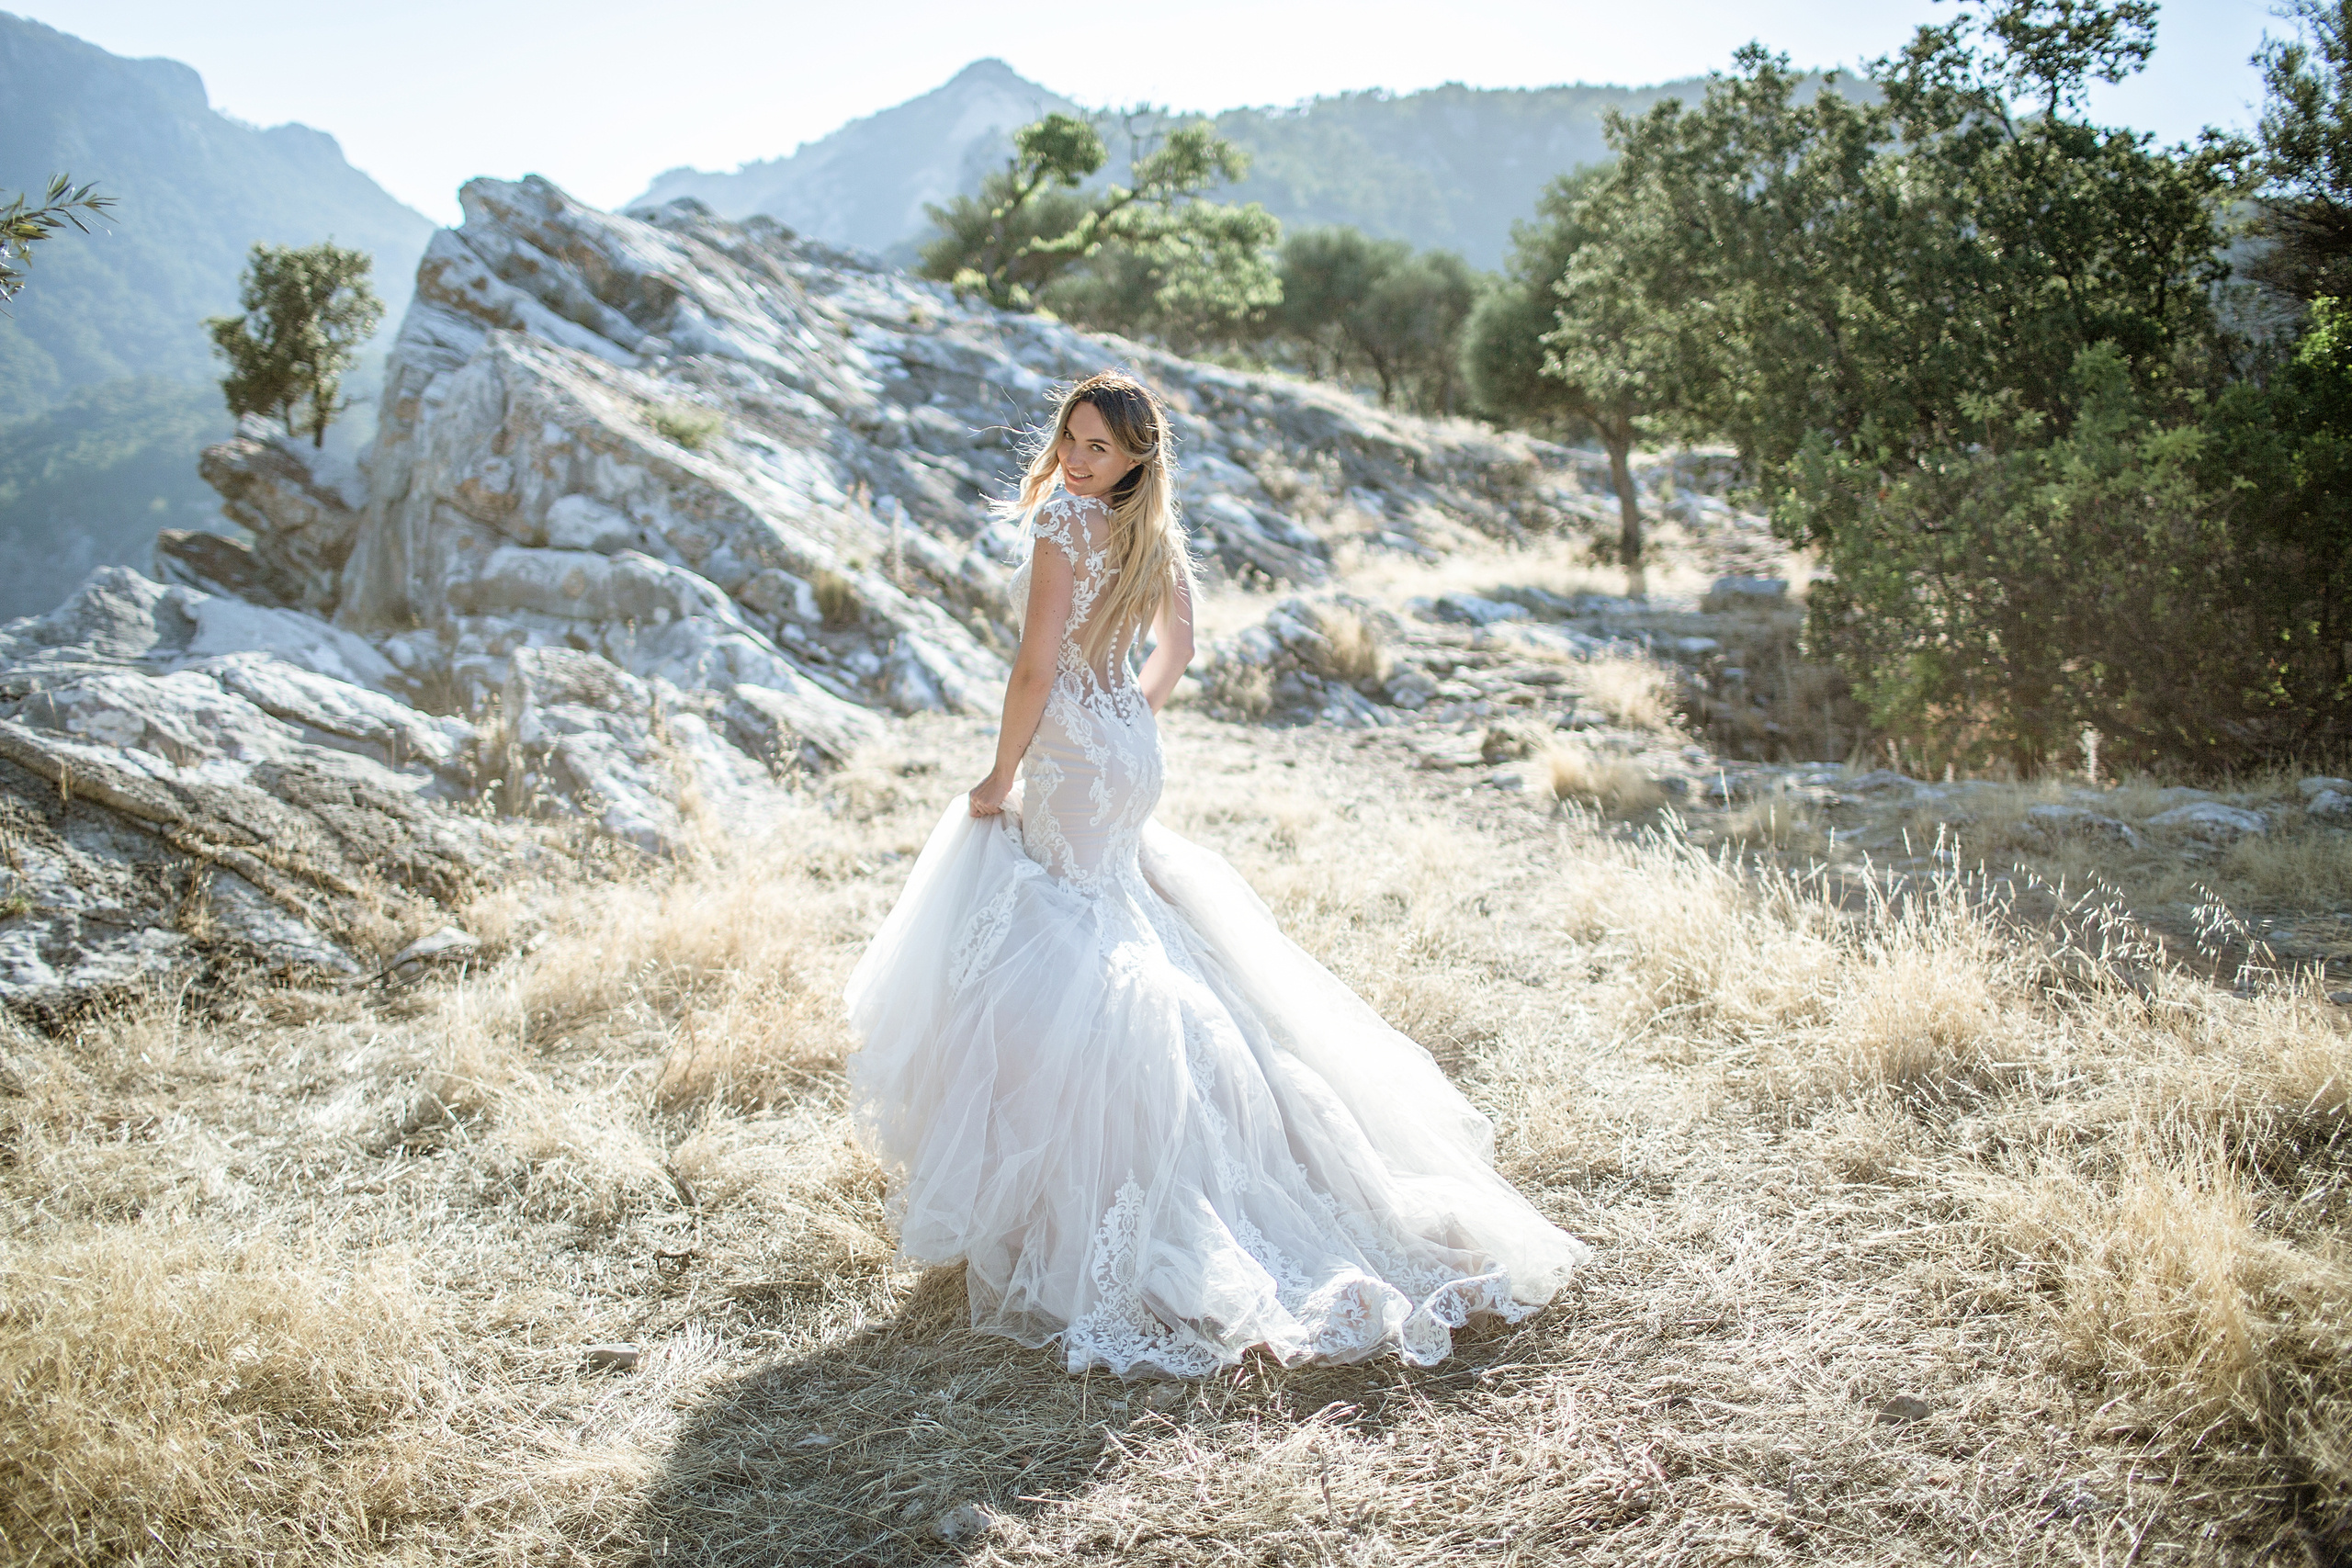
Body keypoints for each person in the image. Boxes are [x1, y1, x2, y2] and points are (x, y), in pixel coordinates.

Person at [843, 369, 1589, 1377]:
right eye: (1069, 439)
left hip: (1072, 747)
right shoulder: (1153, 532)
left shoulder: (1065, 528)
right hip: (1126, 748)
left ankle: (1074, 1191)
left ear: (1135, 455)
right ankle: (1091, 1175)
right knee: (1111, 918)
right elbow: (1179, 649)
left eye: (1098, 447)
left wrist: (1001, 770)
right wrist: (1125, 716)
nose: (1075, 460)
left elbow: (1032, 665)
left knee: (1065, 931)